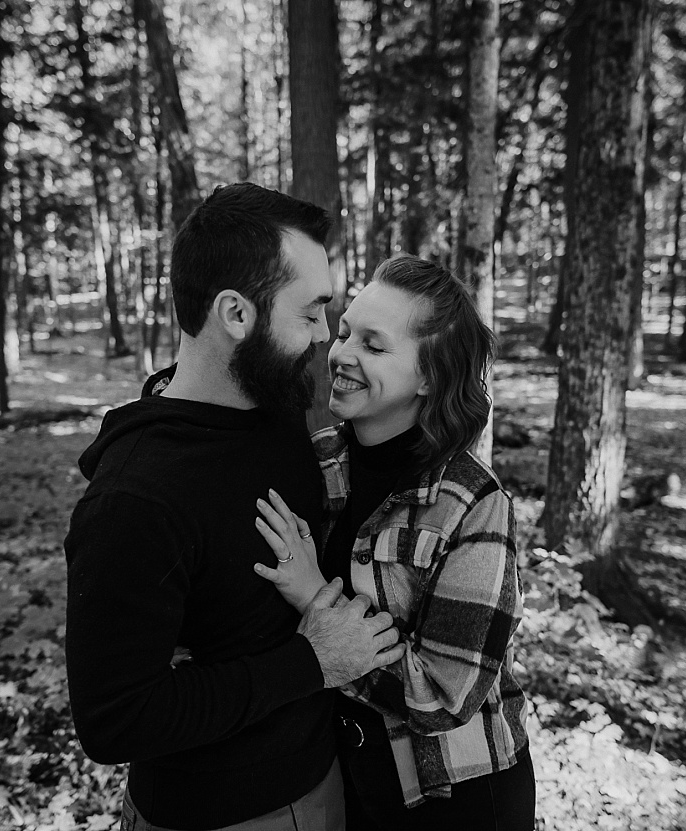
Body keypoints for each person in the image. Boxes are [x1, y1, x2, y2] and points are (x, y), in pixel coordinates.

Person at [65, 183, 406, 831]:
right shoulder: (134, 499)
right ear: (236, 314)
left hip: (324, 778)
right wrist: (310, 663)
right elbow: (115, 719)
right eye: (310, 313)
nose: (326, 337)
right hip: (221, 814)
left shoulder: (273, 404)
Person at [252, 255, 535, 830]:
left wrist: (316, 601)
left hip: (455, 797)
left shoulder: (472, 504)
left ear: (429, 374)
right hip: (346, 783)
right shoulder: (319, 460)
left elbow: (446, 694)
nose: (341, 354)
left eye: (374, 346)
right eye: (346, 331)